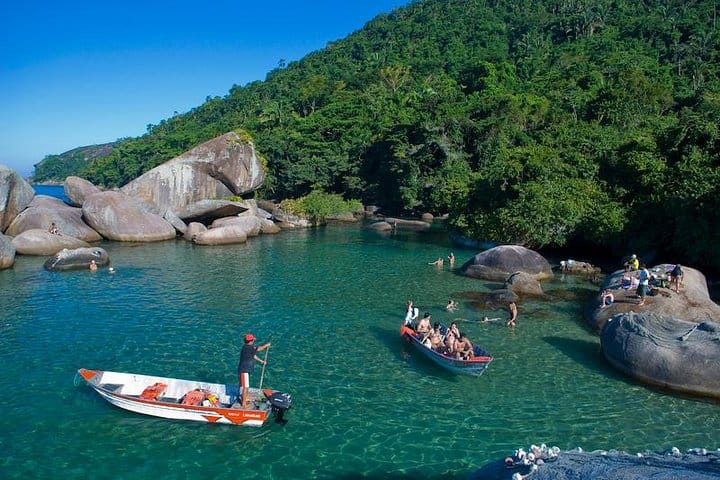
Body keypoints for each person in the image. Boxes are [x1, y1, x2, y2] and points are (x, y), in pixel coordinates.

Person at [237, 333, 271, 409]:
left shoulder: (248, 348)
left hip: (246, 370)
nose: (253, 341)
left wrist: (261, 361)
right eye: (253, 340)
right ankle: (243, 403)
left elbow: (253, 355)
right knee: (245, 387)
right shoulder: (248, 347)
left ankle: (245, 399)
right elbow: (258, 349)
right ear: (250, 341)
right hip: (244, 370)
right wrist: (266, 345)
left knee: (246, 386)